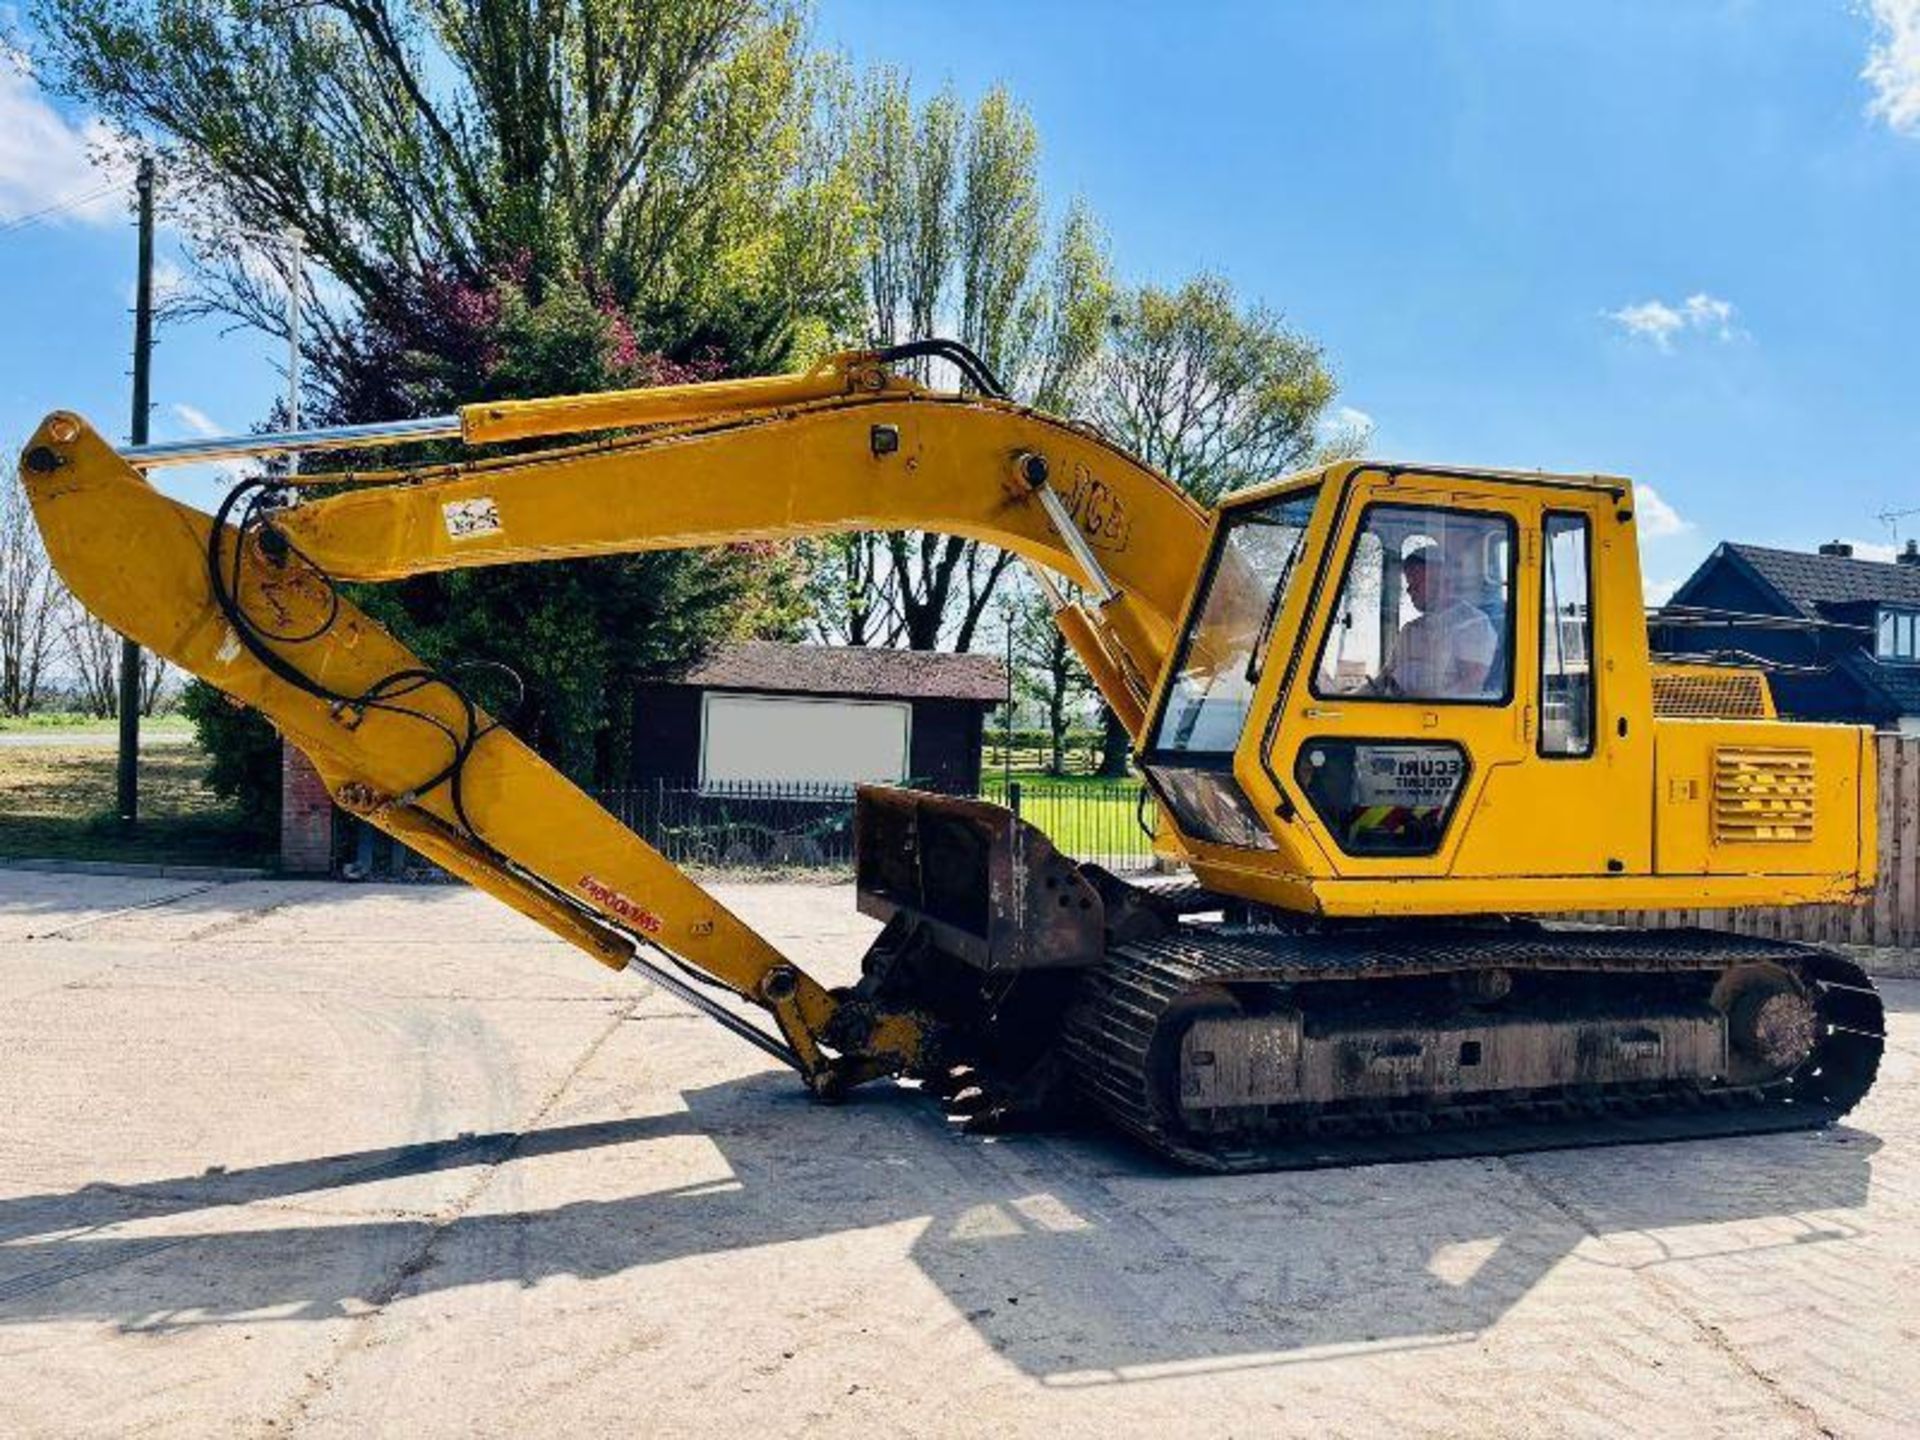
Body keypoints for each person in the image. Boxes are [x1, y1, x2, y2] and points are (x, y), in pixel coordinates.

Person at [1379, 538, 1501, 698]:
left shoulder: (1473, 624)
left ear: (1444, 583)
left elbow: (1471, 684)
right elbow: (1385, 679)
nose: (1409, 591)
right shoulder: (1410, 630)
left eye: (1416, 584)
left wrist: (1421, 704)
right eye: (1409, 584)